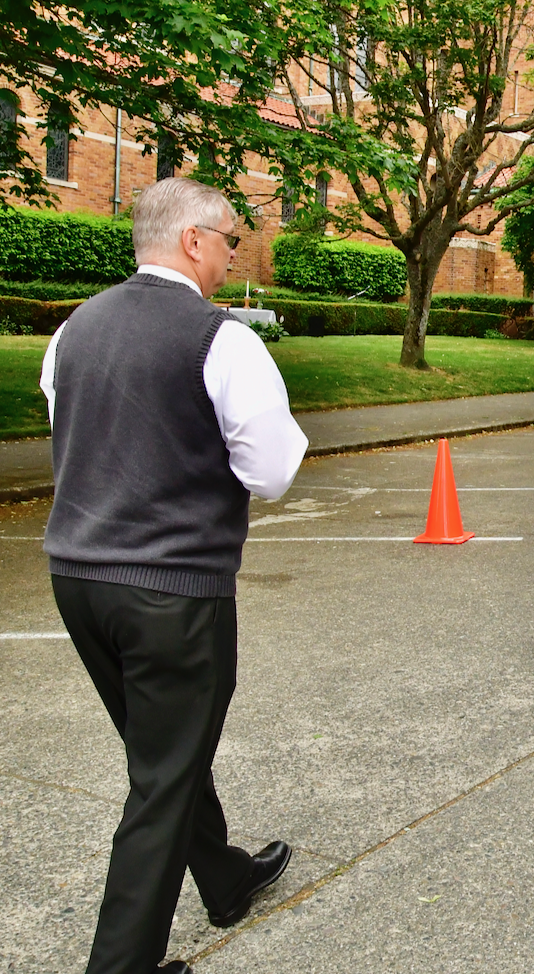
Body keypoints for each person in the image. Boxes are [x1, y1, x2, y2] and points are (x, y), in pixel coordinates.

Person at [38, 177, 307, 974]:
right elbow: (272, 471)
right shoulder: (220, 339)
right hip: (172, 587)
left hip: (79, 577)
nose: (234, 254)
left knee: (162, 752)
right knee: (159, 784)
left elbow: (72, 428)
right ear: (192, 240)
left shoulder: (73, 330)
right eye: (229, 239)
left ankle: (222, 876)